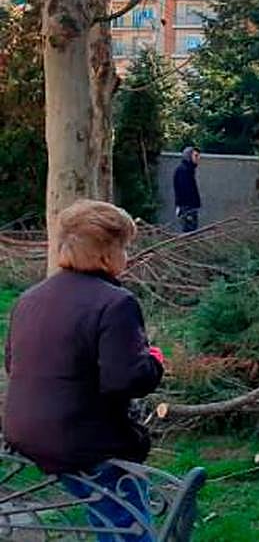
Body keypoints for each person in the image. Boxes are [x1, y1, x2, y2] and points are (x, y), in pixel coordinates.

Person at [4, 200, 165, 541]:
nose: (128, 256)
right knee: (128, 523)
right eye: (124, 247)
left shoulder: (28, 299)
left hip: (27, 433)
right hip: (81, 441)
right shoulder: (116, 303)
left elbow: (12, 365)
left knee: (102, 498)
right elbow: (128, 379)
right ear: (106, 253)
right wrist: (154, 361)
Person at [172, 146, 201, 233]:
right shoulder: (183, 170)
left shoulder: (188, 170)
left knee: (191, 231)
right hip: (187, 207)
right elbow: (185, 190)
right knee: (189, 232)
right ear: (188, 156)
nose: (198, 158)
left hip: (189, 206)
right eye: (195, 156)